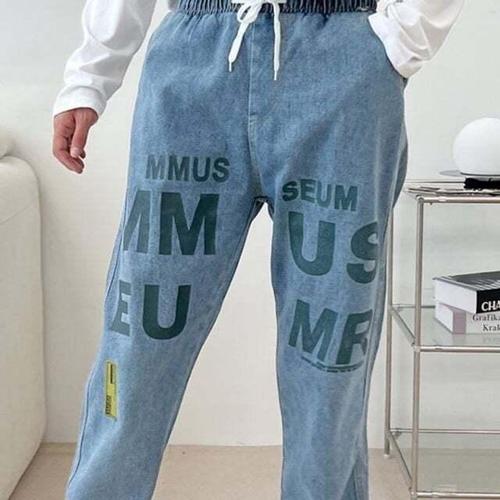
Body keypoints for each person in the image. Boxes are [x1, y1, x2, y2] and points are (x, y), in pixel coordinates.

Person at [52, 0, 464, 498]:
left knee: (330, 347)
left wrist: (403, 38)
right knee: (139, 327)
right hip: (192, 61)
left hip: (342, 65)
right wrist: (89, 76)